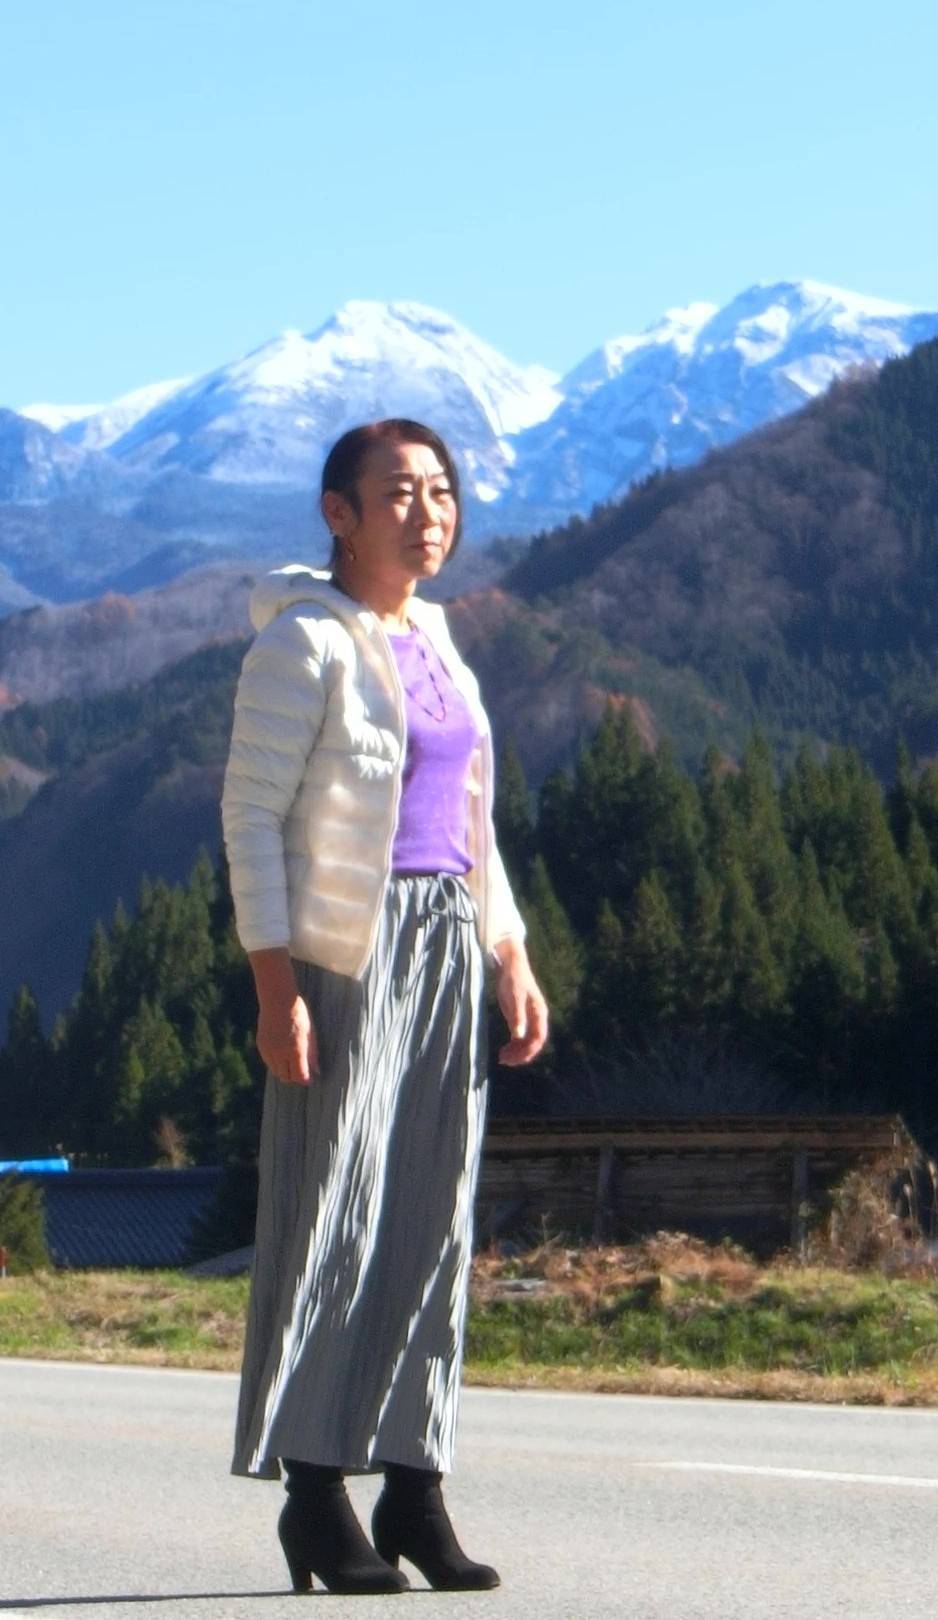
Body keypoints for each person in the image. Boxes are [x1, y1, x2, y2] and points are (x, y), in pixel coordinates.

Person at [222, 417, 549, 1596]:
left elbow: (472, 822)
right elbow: (251, 819)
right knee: (334, 1214)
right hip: (343, 954)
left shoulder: (440, 641)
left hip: (447, 940)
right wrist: (276, 988)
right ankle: (315, 1493)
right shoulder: (301, 643)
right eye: (400, 491)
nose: (428, 511)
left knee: (434, 1217)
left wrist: (509, 951)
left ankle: (415, 1485)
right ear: (340, 514)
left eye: (441, 490)